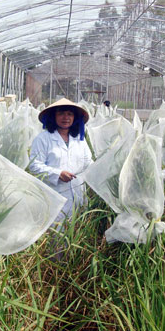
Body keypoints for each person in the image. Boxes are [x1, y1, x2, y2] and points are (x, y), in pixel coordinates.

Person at [29, 98, 93, 231]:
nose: (66, 117)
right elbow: (34, 165)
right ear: (54, 116)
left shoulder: (79, 140)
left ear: (74, 117)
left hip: (78, 195)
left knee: (77, 233)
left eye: (70, 114)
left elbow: (88, 162)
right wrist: (57, 174)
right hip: (54, 195)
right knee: (56, 236)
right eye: (61, 113)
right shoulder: (43, 139)